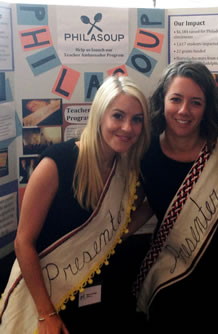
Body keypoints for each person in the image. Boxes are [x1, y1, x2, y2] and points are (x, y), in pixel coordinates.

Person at [0, 75, 150, 333]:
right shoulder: (57, 162)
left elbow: (116, 232)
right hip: (40, 300)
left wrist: (159, 203)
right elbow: (23, 242)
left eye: (137, 119)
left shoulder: (126, 169)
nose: (127, 127)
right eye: (118, 116)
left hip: (93, 297)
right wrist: (45, 313)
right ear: (100, 115)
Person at [132, 61, 218, 333]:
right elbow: (147, 205)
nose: (183, 110)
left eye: (195, 102)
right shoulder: (146, 153)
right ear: (162, 101)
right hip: (170, 279)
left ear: (207, 108)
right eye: (176, 99)